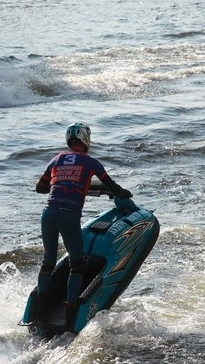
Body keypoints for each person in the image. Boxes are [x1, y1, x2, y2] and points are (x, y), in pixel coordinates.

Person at [34, 122, 133, 327]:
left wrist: (64, 183)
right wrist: (124, 194)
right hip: (69, 216)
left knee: (48, 262)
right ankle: (71, 312)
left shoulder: (56, 159)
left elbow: (40, 188)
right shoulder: (91, 163)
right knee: (77, 264)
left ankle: (40, 307)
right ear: (86, 140)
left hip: (48, 215)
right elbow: (113, 187)